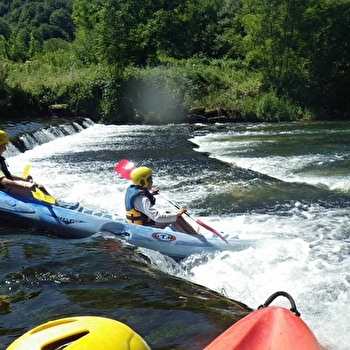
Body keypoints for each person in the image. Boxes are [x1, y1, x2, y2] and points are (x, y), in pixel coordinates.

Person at [125, 166, 198, 234]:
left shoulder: (133, 190)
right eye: (150, 179)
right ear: (143, 182)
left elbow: (140, 204)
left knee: (169, 214)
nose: (152, 181)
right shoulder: (142, 199)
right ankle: (197, 239)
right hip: (142, 229)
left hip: (137, 225)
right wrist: (178, 214)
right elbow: (157, 217)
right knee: (176, 218)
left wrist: (151, 194)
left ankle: (186, 235)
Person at [0, 129, 49, 199]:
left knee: (40, 187)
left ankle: (55, 205)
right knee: (27, 192)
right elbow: (4, 182)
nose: (5, 148)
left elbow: (5, 174)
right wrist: (26, 186)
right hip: (3, 190)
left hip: (5, 187)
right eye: (3, 145)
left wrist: (23, 178)